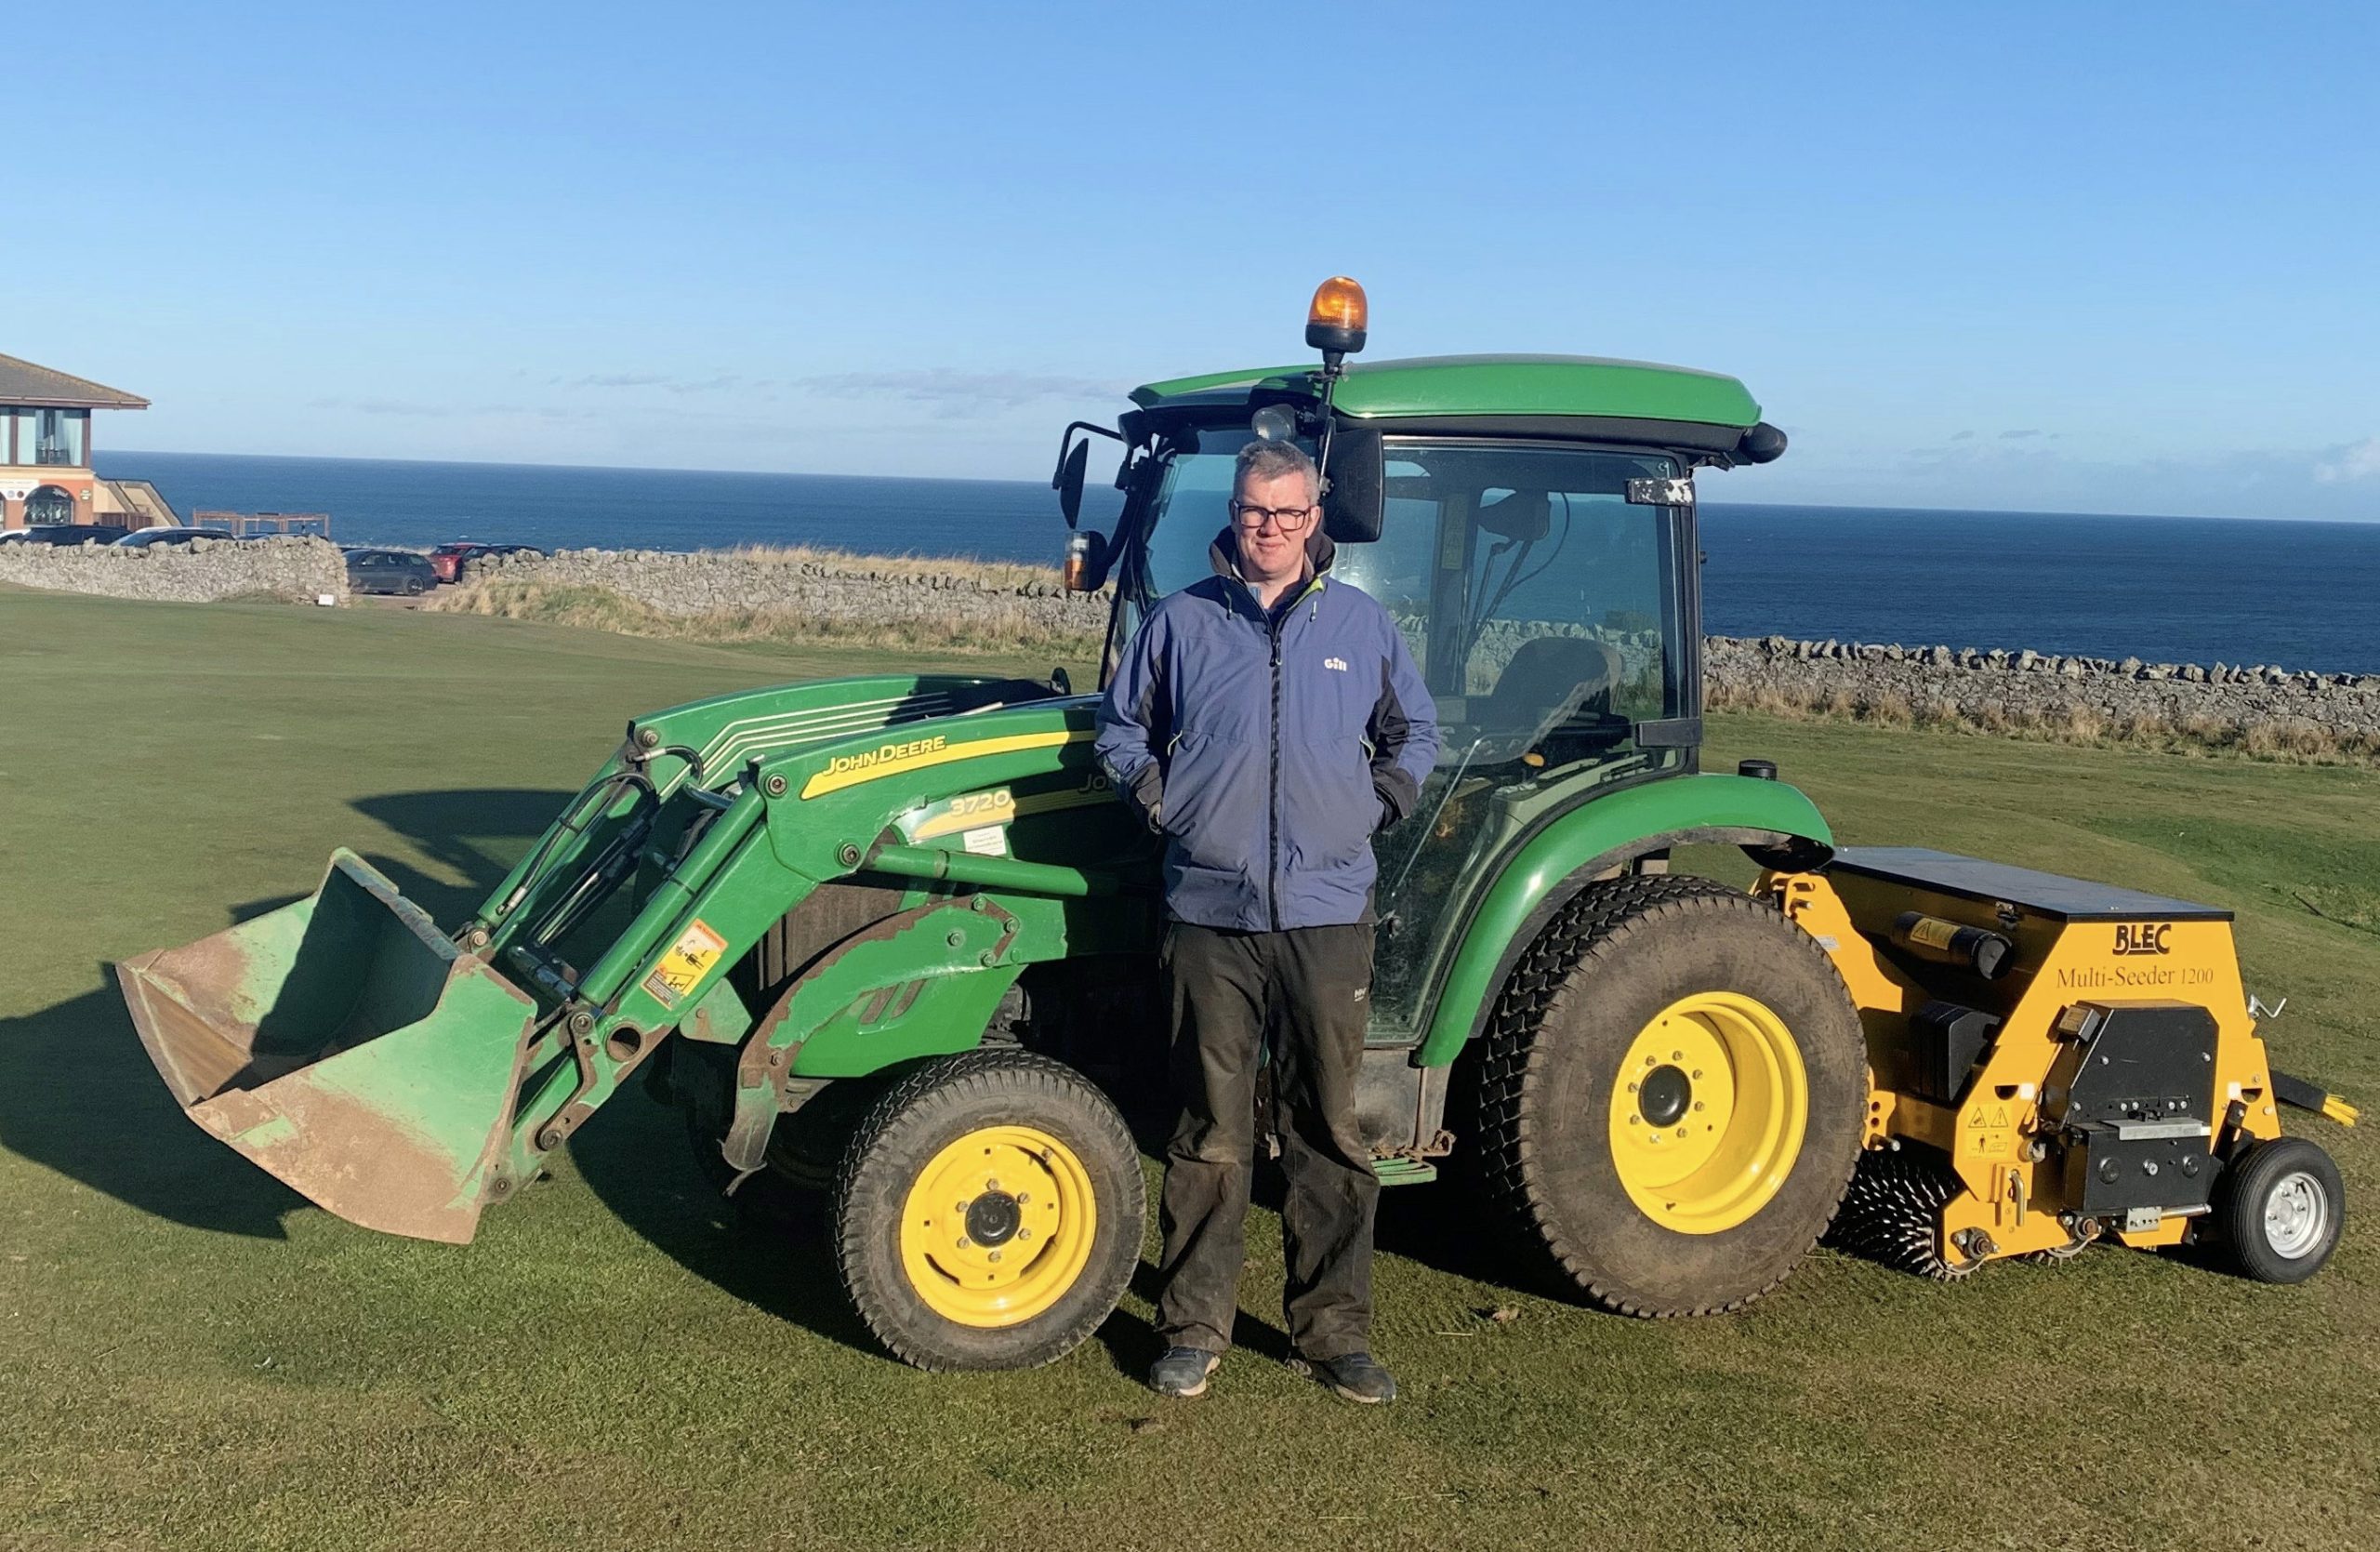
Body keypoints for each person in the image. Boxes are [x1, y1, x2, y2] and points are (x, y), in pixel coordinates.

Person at [1095, 437, 1438, 1404]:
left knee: (1327, 1128)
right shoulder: (1181, 621)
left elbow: (1416, 730)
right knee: (1210, 1129)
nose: (1271, 529)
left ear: (1313, 517)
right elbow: (1119, 728)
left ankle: (1333, 1334)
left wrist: (1376, 802)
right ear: (1234, 512)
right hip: (1209, 910)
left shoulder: (1361, 623)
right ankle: (1193, 1326)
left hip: (1328, 913)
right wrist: (1164, 802)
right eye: (1255, 511)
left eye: (1288, 513)